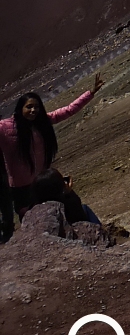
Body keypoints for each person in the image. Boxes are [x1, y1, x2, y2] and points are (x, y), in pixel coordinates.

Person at [1, 76, 100, 238]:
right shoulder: (5, 128)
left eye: (36, 107)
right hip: (21, 189)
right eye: (29, 107)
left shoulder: (42, 122)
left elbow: (68, 110)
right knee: (30, 221)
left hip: (43, 182)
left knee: (59, 212)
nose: (33, 110)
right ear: (20, 109)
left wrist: (90, 93)